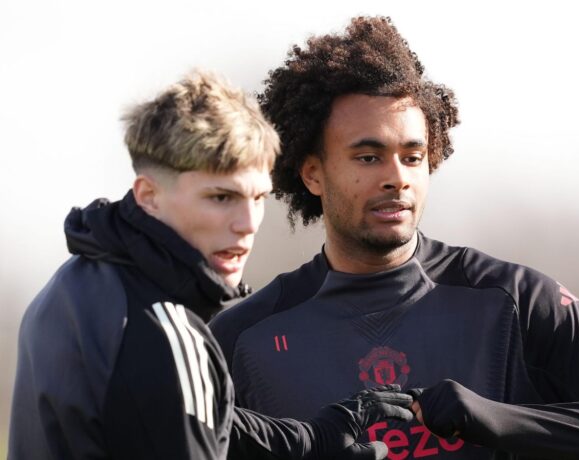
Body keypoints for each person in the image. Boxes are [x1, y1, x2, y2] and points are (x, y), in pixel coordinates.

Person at [209, 17, 579, 460]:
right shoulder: (243, 336)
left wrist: (492, 419)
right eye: (368, 157)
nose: (397, 178)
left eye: (412, 157)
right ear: (313, 173)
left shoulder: (513, 301)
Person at [8, 70, 413, 460]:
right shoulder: (165, 332)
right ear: (149, 195)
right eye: (221, 198)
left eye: (258, 198)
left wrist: (312, 441)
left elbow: (199, 419)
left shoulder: (75, 285)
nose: (247, 224)